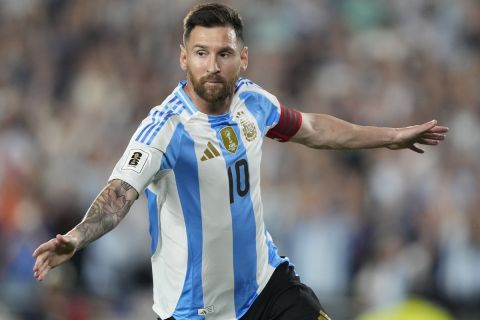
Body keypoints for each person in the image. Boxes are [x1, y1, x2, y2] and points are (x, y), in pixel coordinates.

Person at [32, 3, 448, 320]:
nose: (212, 66)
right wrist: (77, 237)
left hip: (266, 286)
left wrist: (390, 137)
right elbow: (120, 194)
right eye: (201, 53)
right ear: (184, 58)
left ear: (242, 58)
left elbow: (314, 129)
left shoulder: (253, 101)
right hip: (194, 309)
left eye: (223, 53)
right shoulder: (165, 128)